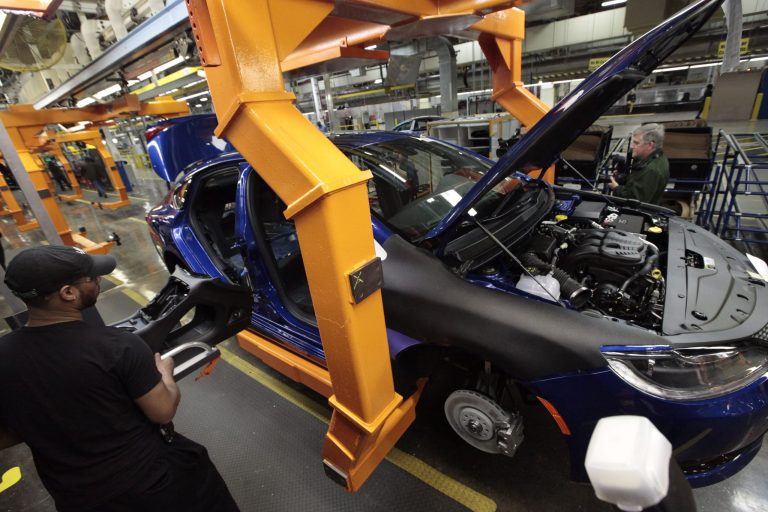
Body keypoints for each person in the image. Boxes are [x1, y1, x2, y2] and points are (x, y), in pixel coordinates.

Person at [0, 245, 240, 512]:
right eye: (91, 277)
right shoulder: (117, 347)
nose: (98, 280)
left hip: (77, 498)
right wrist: (165, 376)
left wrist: (46, 420)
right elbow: (162, 411)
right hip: (154, 486)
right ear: (67, 293)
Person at [609, 123, 669, 205]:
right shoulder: (657, 158)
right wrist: (623, 179)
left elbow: (636, 201)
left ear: (650, 145)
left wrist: (616, 188)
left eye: (636, 143)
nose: (632, 146)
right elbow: (640, 183)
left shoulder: (651, 170)